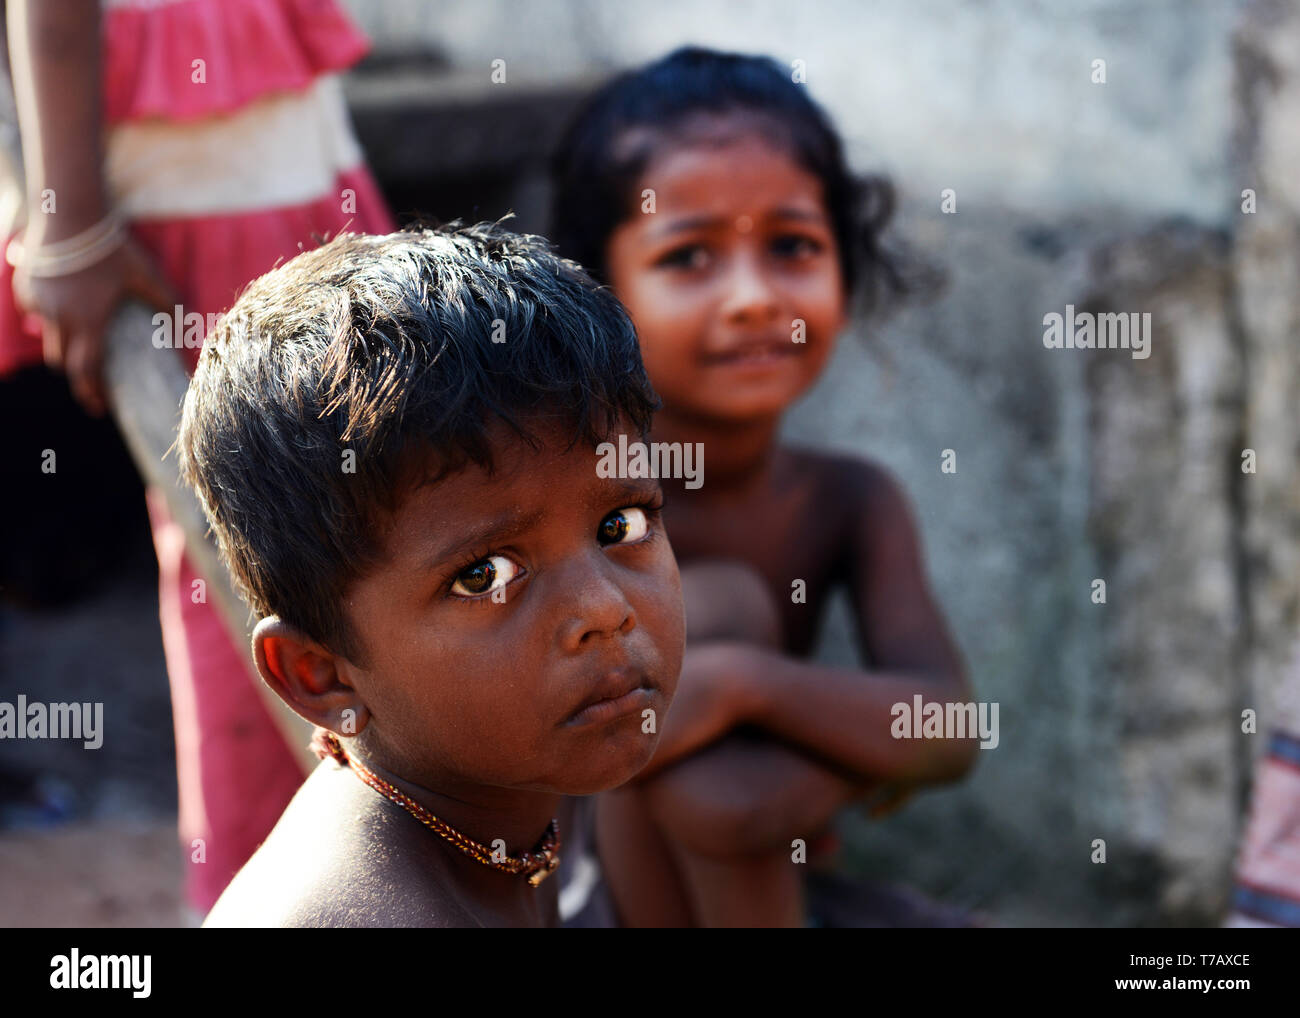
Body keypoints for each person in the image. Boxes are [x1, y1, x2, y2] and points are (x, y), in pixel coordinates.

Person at [549, 45, 977, 927]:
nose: (751, 297)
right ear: (599, 295)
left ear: (846, 277)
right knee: (720, 601)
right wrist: (855, 752)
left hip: (772, 889)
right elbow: (716, 798)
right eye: (689, 257)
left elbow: (950, 730)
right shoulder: (578, 500)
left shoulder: (850, 500)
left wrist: (743, 685)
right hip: (588, 900)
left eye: (791, 246)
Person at [2, 0, 395, 914]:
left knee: (312, 518)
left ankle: (316, 881)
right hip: (200, 142)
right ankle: (267, 890)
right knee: (263, 530)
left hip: (260, 125)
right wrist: (74, 221)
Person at [184, 222, 686, 927]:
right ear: (320, 673)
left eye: (620, 527)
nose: (605, 610)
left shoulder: (484, 820)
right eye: (483, 576)